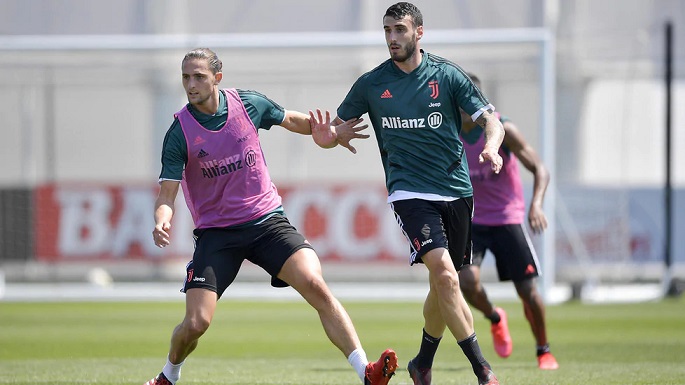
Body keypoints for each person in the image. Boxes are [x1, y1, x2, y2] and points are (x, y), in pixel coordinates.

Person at [145, 47, 398, 385]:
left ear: (217, 78)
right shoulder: (180, 132)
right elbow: (167, 194)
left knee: (316, 285)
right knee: (196, 324)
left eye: (199, 77)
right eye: (186, 77)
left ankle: (366, 372)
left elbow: (292, 119)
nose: (191, 85)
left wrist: (327, 134)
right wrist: (162, 218)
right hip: (218, 235)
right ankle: (168, 375)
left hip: (266, 222)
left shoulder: (247, 104)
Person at [319, 3, 505, 385]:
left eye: (400, 30)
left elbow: (490, 119)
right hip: (408, 191)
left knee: (443, 283)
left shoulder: (447, 75)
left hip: (456, 190)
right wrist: (328, 139)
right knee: (447, 276)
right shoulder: (372, 83)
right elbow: (334, 128)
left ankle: (422, 362)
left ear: (419, 32)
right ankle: (482, 369)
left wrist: (492, 146)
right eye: (387, 30)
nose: (392, 38)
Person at [457, 73, 559, 370]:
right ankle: (494, 317)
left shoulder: (503, 128)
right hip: (473, 219)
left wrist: (536, 205)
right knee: (466, 281)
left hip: (506, 217)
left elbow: (539, 167)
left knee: (527, 290)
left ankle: (544, 350)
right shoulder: (448, 131)